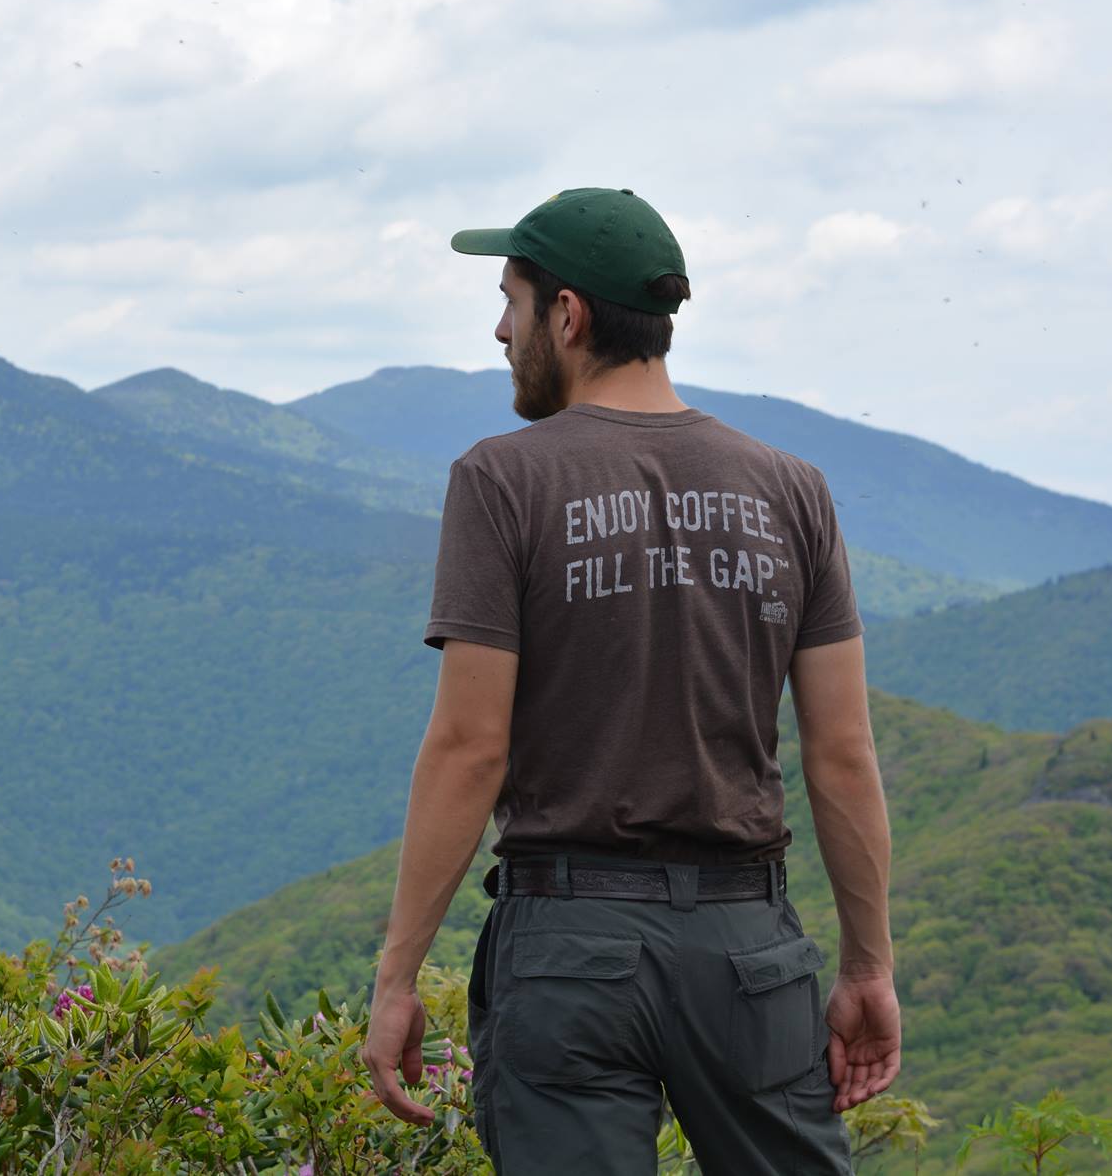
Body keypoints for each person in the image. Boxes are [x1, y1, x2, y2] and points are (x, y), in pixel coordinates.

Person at [361, 187, 899, 1173]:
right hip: (746, 945)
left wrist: (397, 975)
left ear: (565, 315)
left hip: (567, 949)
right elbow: (840, 750)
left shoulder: (501, 480)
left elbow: (469, 745)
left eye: (509, 300)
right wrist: (867, 965)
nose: (497, 328)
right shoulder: (791, 490)